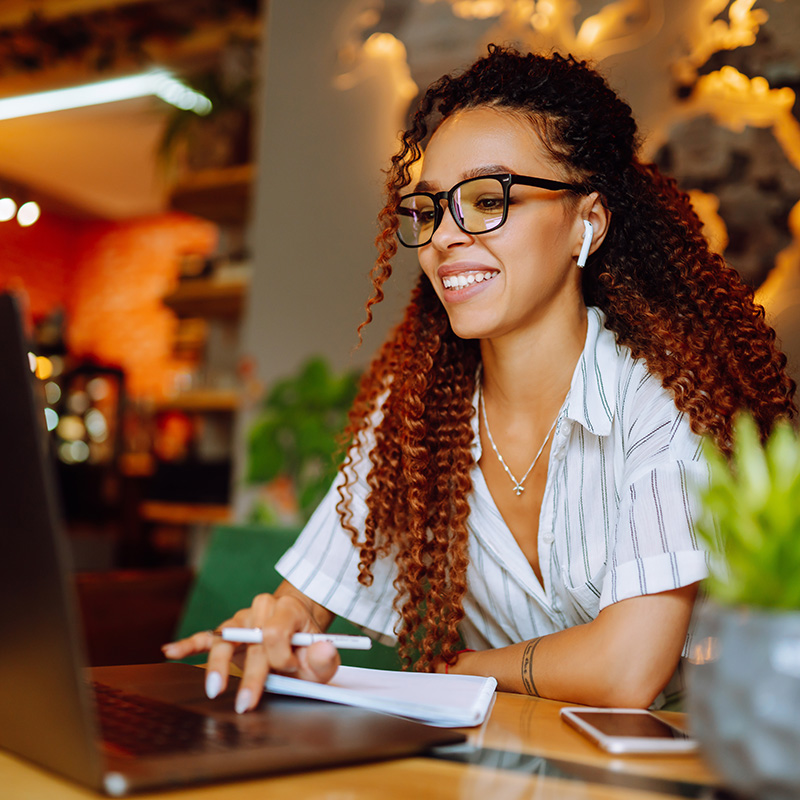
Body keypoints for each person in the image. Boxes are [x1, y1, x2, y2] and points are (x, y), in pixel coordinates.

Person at [164, 45, 795, 713]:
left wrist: (454, 670)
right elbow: (304, 602)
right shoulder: (413, 409)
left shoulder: (661, 401)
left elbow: (627, 670)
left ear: (589, 221)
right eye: (431, 208)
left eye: (488, 199)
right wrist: (279, 628)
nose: (444, 237)